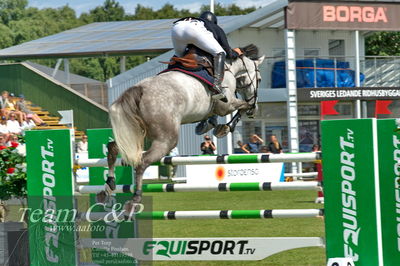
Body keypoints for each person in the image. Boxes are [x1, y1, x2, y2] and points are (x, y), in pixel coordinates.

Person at [171, 11, 239, 102]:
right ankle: (217, 85)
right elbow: (228, 51)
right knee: (220, 53)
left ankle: (169, 71)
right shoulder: (215, 27)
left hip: (177, 27)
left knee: (178, 57)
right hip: (194, 29)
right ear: (214, 21)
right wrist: (237, 53)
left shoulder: (198, 21)